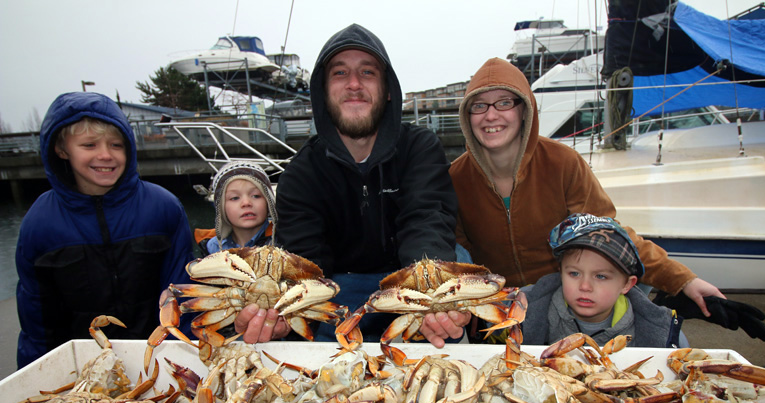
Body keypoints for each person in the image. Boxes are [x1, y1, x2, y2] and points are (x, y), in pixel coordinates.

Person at [421, 57, 765, 347]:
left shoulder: (562, 163)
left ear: (524, 110)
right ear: (467, 117)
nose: (491, 115)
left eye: (504, 103)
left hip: (568, 294)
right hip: (502, 305)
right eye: (479, 106)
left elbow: (609, 235)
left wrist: (683, 281)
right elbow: (461, 262)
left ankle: (656, 310)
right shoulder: (455, 179)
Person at [234, 23, 458, 344]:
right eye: (340, 74)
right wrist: (283, 314)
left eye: (367, 72)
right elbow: (304, 262)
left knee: (451, 264)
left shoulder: (420, 148)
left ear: (389, 88)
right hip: (335, 293)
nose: (354, 84)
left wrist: (431, 293)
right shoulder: (301, 172)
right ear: (323, 93)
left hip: (409, 284)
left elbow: (428, 221)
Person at [15, 92, 196, 369]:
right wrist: (34, 374)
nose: (105, 155)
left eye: (116, 144)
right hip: (81, 366)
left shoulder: (164, 208)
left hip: (159, 358)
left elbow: (182, 293)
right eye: (89, 145)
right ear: (61, 149)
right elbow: (37, 319)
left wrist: (186, 361)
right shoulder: (39, 223)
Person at [520, 213, 683, 347]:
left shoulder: (657, 333)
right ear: (560, 273)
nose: (585, 286)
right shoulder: (523, 308)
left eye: (601, 276)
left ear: (627, 284)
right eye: (574, 274)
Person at [197, 161, 277, 256]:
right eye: (234, 198)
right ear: (221, 208)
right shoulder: (211, 247)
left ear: (269, 202)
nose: (246, 203)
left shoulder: (285, 241)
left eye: (256, 196)